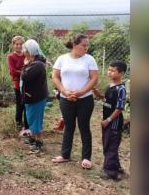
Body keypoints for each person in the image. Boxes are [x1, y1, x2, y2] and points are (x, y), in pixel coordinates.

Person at [51, 34, 98, 169]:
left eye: (87, 45)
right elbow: (55, 76)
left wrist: (81, 92)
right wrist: (64, 92)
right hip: (66, 99)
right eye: (84, 45)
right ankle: (65, 155)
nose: (86, 48)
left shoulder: (89, 59)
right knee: (69, 126)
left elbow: (94, 78)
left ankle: (86, 158)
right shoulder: (62, 59)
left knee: (84, 127)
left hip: (85, 99)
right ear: (74, 45)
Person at [95, 61, 127, 180]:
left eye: (113, 70)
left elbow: (119, 108)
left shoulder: (121, 89)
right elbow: (107, 99)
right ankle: (116, 166)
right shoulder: (110, 86)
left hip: (113, 123)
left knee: (110, 145)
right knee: (108, 143)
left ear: (121, 73)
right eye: (109, 70)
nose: (109, 72)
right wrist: (97, 93)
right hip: (107, 121)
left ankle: (110, 172)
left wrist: (108, 120)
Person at [20, 39, 48, 153]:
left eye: (24, 49)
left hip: (36, 97)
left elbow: (25, 76)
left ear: (29, 51)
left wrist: (25, 66)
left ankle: (38, 142)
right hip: (32, 96)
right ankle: (33, 138)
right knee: (32, 119)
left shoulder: (37, 64)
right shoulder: (35, 62)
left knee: (35, 120)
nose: (23, 51)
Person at [7, 36, 29, 132]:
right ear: (13, 45)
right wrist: (26, 72)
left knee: (27, 105)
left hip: (28, 84)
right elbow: (13, 72)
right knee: (20, 105)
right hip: (18, 85)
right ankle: (19, 125)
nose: (19, 46)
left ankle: (27, 126)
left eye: (21, 44)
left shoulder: (26, 54)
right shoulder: (11, 56)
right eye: (17, 44)